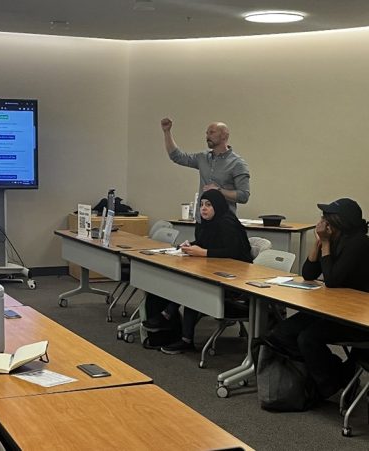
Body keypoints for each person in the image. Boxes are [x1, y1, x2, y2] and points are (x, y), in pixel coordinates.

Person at [264, 198, 369, 400]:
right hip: (332, 309)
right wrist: (318, 244)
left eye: (325, 218)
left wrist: (327, 243)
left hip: (355, 316)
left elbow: (332, 280)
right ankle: (340, 375)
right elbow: (309, 274)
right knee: (281, 333)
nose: (321, 222)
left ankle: (331, 382)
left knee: (307, 338)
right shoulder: (335, 239)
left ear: (338, 222)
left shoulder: (359, 243)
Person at [143, 189, 252, 354]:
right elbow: (204, 243)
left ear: (218, 206)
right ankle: (179, 332)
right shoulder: (207, 224)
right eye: (201, 205)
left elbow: (234, 252)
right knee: (191, 285)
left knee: (192, 287)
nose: (203, 209)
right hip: (214, 271)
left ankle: (167, 317)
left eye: (208, 205)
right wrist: (189, 245)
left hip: (235, 280)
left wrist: (204, 252)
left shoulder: (227, 223)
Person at [161, 117, 250, 221]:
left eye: (212, 133)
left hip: (223, 223)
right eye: (207, 133)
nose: (207, 136)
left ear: (224, 136)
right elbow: (177, 157)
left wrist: (219, 191)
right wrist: (167, 132)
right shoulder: (203, 158)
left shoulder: (237, 164)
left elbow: (244, 196)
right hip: (202, 221)